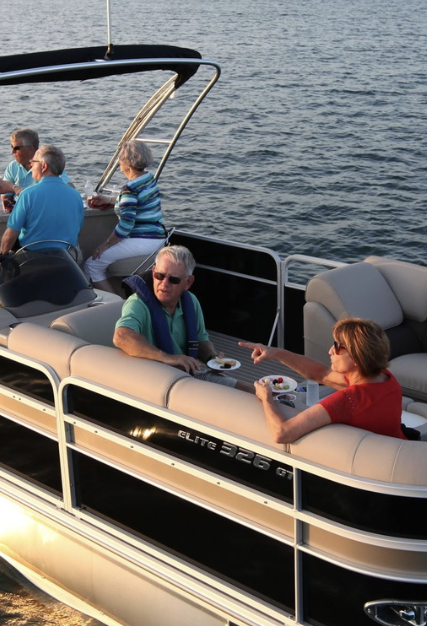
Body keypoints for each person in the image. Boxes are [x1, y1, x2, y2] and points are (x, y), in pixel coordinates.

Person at [240, 318, 404, 444]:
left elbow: (282, 433)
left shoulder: (348, 400)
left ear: (357, 357)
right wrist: (275, 353)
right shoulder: (386, 379)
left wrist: (266, 398)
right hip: (398, 447)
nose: (331, 350)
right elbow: (322, 374)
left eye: (338, 347)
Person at [113, 245, 222, 377]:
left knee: (249, 391)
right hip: (159, 377)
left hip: (190, 373)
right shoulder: (137, 304)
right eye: (160, 275)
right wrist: (168, 358)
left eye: (174, 279)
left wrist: (212, 358)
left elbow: (200, 340)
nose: (164, 284)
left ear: (188, 282)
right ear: (153, 273)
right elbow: (121, 336)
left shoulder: (191, 302)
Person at [85, 140, 166, 282]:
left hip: (142, 240)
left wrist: (105, 245)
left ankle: (115, 303)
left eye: (120, 160)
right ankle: (120, 298)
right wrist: (110, 200)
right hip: (158, 239)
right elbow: (138, 202)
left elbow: (126, 225)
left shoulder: (130, 189)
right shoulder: (148, 179)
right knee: (103, 266)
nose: (118, 163)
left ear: (128, 164)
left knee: (92, 265)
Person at [0, 144, 83, 255]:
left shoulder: (27, 195)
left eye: (34, 161)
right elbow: (77, 229)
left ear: (44, 166)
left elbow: (10, 235)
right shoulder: (75, 195)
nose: (31, 164)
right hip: (68, 256)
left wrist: (2, 255)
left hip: (34, 257)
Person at [2, 128, 39, 194]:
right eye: (12, 147)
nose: (12, 151)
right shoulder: (13, 166)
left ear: (30, 149)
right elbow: (6, 197)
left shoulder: (49, 167)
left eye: (16, 148)